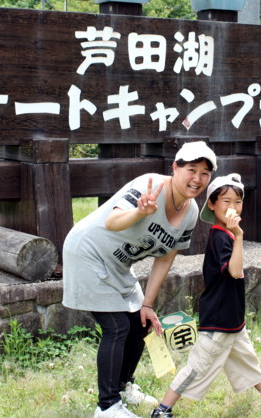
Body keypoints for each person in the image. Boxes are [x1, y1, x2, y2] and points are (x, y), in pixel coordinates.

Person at [62, 141, 217, 418]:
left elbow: (166, 258)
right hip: (88, 253)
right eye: (191, 170)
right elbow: (112, 222)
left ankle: (123, 388)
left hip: (119, 264)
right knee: (117, 327)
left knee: (140, 323)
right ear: (175, 167)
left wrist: (147, 304)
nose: (197, 179)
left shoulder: (191, 211)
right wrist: (140, 212)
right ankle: (107, 407)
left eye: (205, 173)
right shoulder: (150, 185)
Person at [150, 173, 261, 417]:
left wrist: (237, 235)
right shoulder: (222, 236)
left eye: (238, 202)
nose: (233, 207)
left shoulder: (227, 233)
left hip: (232, 318)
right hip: (218, 319)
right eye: (226, 201)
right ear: (211, 204)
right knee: (198, 366)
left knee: (247, 360)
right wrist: (239, 236)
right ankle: (162, 410)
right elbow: (234, 271)